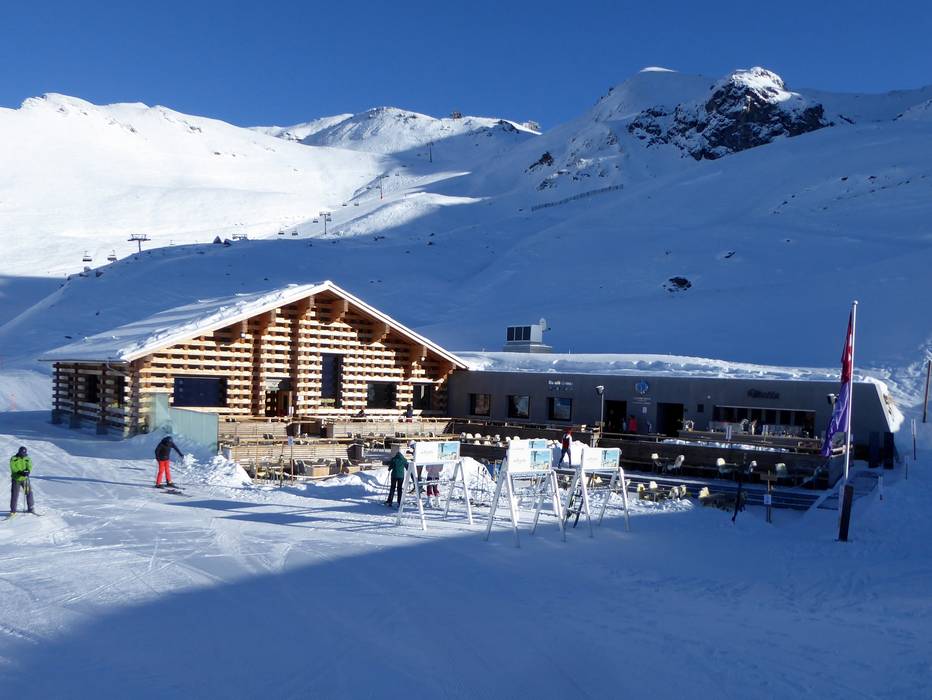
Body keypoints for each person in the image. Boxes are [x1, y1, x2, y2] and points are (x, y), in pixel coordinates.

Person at [9, 446, 35, 514]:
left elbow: (29, 465)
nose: (23, 455)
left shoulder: (27, 458)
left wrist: (28, 471)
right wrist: (19, 472)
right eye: (21, 453)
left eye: (24, 453)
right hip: (16, 479)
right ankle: (13, 510)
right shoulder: (14, 458)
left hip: (25, 479)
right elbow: (13, 467)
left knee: (29, 492)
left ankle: (31, 508)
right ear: (19, 452)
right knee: (15, 494)